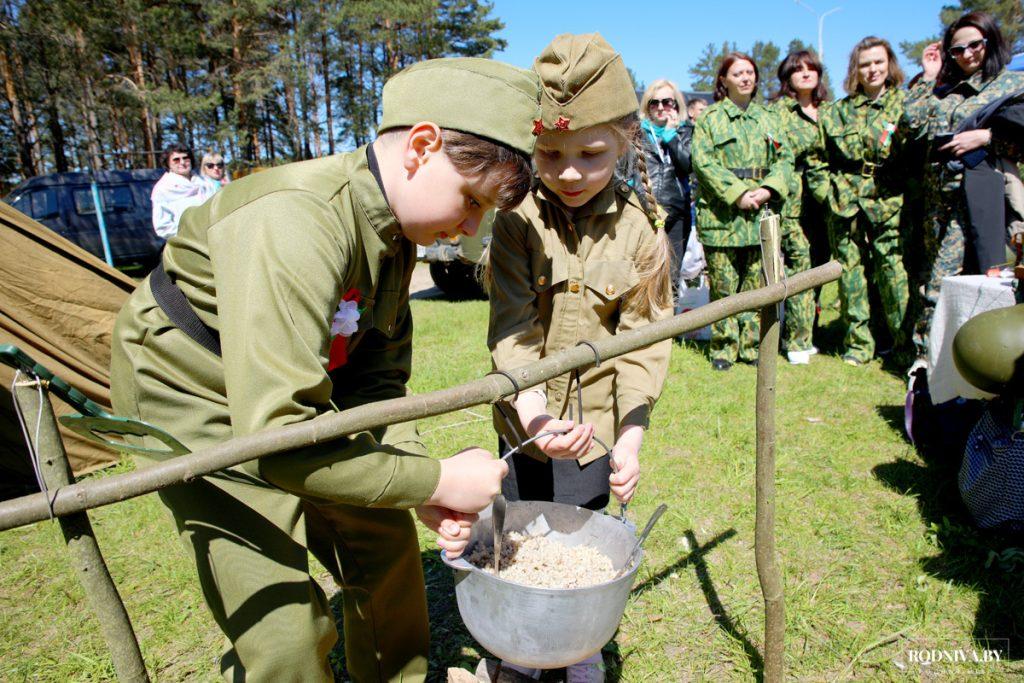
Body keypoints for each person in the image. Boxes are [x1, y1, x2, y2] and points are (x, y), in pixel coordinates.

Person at [110, 58, 539, 682]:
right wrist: (435, 480)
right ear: (421, 146)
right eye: (471, 200)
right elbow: (277, 439)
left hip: (288, 396)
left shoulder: (394, 236)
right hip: (190, 386)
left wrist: (419, 484)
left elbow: (377, 385)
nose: (471, 228)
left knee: (385, 553)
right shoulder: (298, 220)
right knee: (283, 629)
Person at [486, 33, 673, 682]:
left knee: (583, 550)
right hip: (523, 428)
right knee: (517, 545)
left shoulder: (641, 230)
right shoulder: (515, 223)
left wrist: (629, 437)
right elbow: (512, 335)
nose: (569, 172)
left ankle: (583, 644)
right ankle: (519, 650)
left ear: (625, 139)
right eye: (550, 153)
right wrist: (534, 420)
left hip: (595, 435)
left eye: (592, 154)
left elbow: (645, 342)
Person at [905, 11, 1024, 368]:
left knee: (959, 282)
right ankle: (933, 363)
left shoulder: (1009, 85)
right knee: (931, 279)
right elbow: (913, 126)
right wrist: (928, 78)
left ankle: (936, 361)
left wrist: (988, 137)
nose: (967, 54)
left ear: (990, 42)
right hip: (936, 200)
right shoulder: (942, 89)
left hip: (980, 199)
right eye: (957, 49)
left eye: (975, 45)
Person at [806, 37, 909, 367]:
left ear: (889, 64)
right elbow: (816, 159)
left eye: (878, 62)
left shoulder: (904, 105)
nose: (872, 69)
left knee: (894, 275)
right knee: (851, 277)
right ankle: (859, 345)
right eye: (865, 64)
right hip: (845, 202)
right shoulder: (838, 111)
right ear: (855, 70)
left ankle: (902, 346)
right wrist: (826, 193)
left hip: (889, 201)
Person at [691, 52, 794, 371]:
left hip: (759, 215)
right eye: (738, 73)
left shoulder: (770, 117)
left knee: (755, 284)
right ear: (723, 80)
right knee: (723, 286)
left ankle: (750, 346)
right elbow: (703, 161)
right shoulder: (711, 118)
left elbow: (785, 158)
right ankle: (724, 347)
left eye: (750, 72)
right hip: (724, 217)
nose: (746, 78)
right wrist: (738, 194)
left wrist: (766, 190)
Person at [769, 50, 830, 365]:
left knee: (822, 269)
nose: (806, 74)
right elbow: (778, 153)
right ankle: (797, 340)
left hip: (831, 205)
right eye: (798, 69)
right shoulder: (779, 112)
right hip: (794, 203)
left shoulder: (830, 110)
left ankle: (812, 330)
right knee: (801, 269)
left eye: (811, 69)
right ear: (787, 76)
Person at [638, 79, 693, 274]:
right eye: (654, 103)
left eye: (667, 102)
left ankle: (671, 307)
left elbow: (689, 166)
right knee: (646, 272)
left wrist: (671, 137)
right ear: (647, 105)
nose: (660, 108)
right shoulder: (637, 132)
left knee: (672, 276)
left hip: (677, 212)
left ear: (676, 104)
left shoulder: (686, 131)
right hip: (644, 210)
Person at [150, 145, 206, 239]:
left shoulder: (204, 183)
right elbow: (162, 227)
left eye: (185, 158)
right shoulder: (163, 189)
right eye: (176, 159)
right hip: (187, 244)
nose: (182, 162)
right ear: (168, 163)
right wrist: (191, 233)